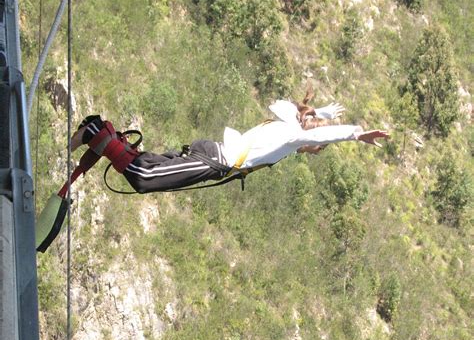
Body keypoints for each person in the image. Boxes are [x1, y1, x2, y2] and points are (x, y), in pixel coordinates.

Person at [71, 98, 389, 193]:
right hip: (214, 159)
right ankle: (97, 132)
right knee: (144, 178)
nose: (315, 148)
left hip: (212, 155)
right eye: (316, 145)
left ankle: (105, 139)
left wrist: (317, 113)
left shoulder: (284, 126)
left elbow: (291, 109)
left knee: (147, 166)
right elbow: (313, 134)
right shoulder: (292, 136)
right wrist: (355, 134)